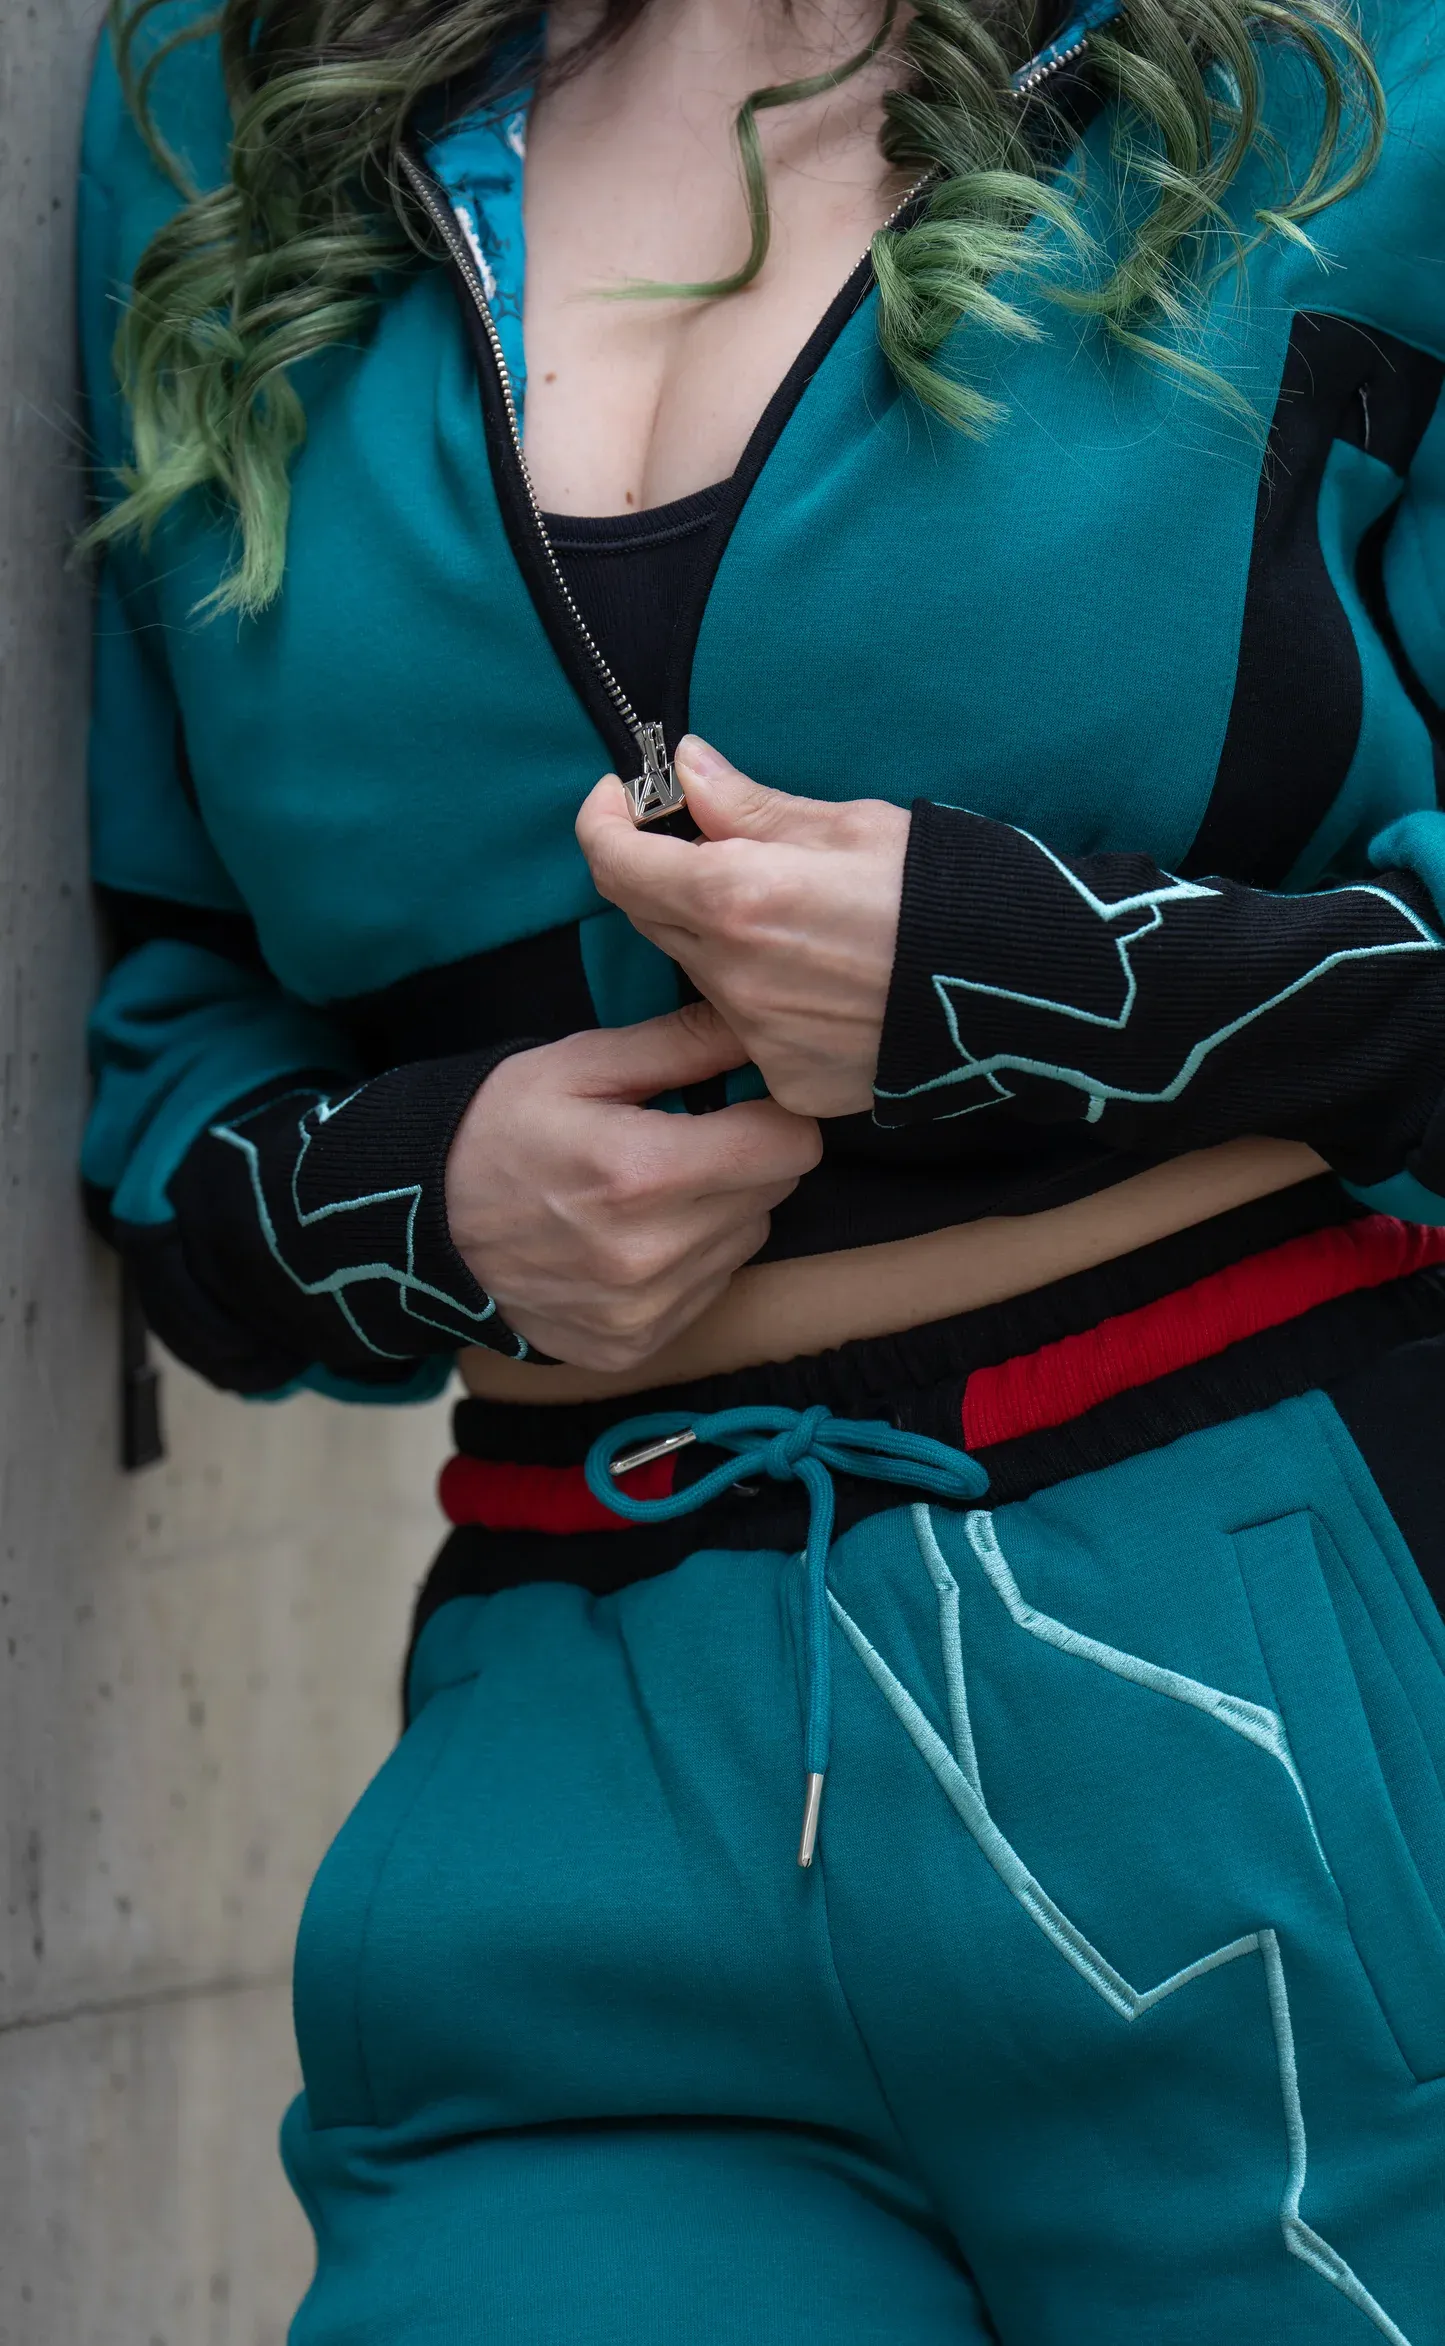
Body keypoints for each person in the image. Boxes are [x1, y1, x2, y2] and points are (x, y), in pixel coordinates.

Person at [79, 0, 1445, 2333]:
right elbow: (157, 1069)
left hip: (1258, 1689)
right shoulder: (215, 106)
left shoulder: (1359, 69)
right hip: (568, 1750)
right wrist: (430, 1196)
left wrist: (1036, 975)